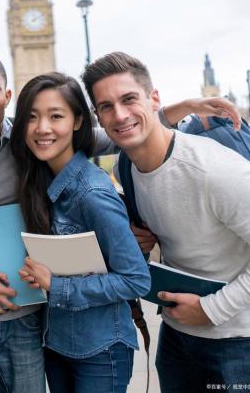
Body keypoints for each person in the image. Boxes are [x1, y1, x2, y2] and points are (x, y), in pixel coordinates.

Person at [0, 49, 240, 393]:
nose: (43, 129)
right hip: (21, 331)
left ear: (6, 96)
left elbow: (125, 128)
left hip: (56, 331)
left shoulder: (51, 164)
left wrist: (181, 107)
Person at [82, 51, 250, 392]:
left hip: (241, 341)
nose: (119, 115)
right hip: (178, 337)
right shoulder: (126, 169)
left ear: (155, 99)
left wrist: (212, 309)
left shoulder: (215, 171)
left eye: (129, 99)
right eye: (106, 106)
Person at [9, 72, 150, 392]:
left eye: (55, 116)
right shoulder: (40, 182)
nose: (42, 128)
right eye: (31, 117)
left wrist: (55, 285)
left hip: (100, 350)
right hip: (56, 342)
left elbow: (136, 279)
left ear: (76, 121)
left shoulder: (92, 194)